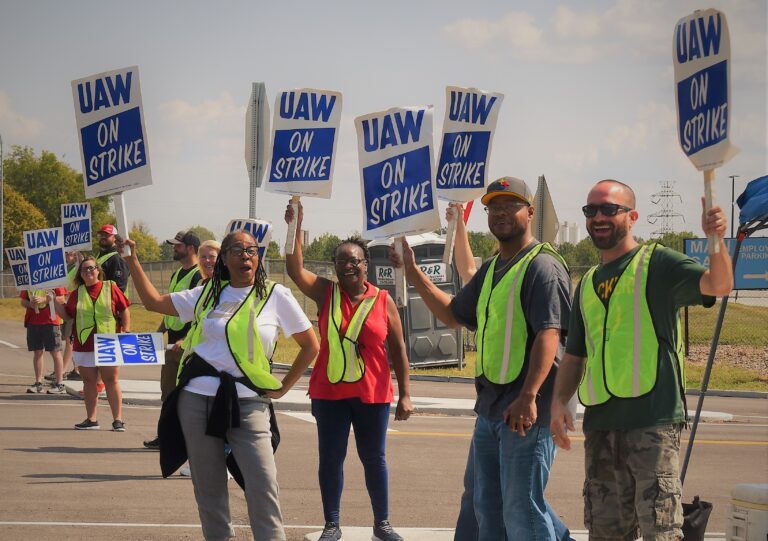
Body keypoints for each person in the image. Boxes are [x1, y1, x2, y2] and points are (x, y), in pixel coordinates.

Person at [550, 179, 733, 541]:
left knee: (660, 531)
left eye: (609, 209)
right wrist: (558, 402)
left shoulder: (657, 262)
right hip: (601, 425)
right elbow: (575, 355)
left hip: (652, 423)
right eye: (591, 210)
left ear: (632, 217)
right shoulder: (586, 281)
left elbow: (719, 285)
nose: (599, 217)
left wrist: (716, 240)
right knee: (604, 533)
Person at [391, 178, 572, 540]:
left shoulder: (543, 267)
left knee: (522, 509)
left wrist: (529, 396)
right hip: (490, 409)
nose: (501, 213)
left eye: (511, 205)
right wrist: (412, 271)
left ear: (530, 212)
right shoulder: (492, 269)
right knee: (486, 507)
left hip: (525, 412)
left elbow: (549, 334)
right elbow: (453, 315)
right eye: (494, 207)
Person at [122, 231, 319, 541]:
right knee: (209, 488)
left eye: (252, 250)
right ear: (224, 259)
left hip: (249, 402)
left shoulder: (275, 295)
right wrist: (132, 261)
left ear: (259, 258)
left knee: (262, 484)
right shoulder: (208, 293)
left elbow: (310, 346)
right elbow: (153, 302)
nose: (245, 255)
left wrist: (282, 389)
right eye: (238, 250)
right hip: (196, 399)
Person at [285, 200, 414, 541]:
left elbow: (399, 350)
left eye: (354, 260)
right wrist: (294, 225)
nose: (347, 266)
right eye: (341, 260)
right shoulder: (325, 292)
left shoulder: (383, 301)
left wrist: (406, 395)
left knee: (374, 459)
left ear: (365, 265)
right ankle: (332, 523)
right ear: (335, 266)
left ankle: (382, 524)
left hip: (372, 395)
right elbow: (294, 267)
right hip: (329, 396)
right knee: (331, 458)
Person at [54, 256, 131, 430]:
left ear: (98, 270)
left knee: (111, 380)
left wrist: (126, 330)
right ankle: (91, 419)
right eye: (84, 269)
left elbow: (124, 309)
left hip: (108, 342)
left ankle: (118, 420)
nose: (88, 271)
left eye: (91, 268)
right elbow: (67, 316)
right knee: (88, 382)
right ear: (80, 274)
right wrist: (55, 303)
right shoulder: (76, 294)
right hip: (84, 343)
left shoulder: (110, 287)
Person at [143, 230, 202, 451]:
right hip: (171, 343)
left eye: (178, 245)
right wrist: (159, 332)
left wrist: (186, 340)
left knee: (187, 395)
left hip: (187, 346)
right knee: (167, 392)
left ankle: (186, 440)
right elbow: (170, 310)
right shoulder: (177, 274)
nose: (174, 248)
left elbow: (199, 315)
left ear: (190, 248)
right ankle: (165, 435)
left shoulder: (199, 276)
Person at [21, 287, 67, 394]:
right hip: (33, 320)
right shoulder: (29, 280)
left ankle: (60, 384)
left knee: (55, 352)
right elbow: (23, 301)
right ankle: (38, 383)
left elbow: (61, 299)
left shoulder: (53, 275)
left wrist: (44, 299)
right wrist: (30, 304)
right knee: (37, 352)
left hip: (51, 320)